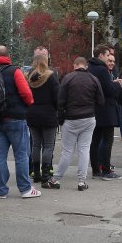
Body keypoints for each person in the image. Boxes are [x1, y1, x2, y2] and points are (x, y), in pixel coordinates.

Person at [0, 45, 42, 199]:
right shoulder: (14, 71)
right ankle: (25, 189)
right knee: (21, 155)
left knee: (0, 155)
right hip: (16, 118)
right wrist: (29, 103)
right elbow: (26, 92)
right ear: (8, 56)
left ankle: (1, 190)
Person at [47, 57, 104, 190]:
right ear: (86, 66)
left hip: (71, 118)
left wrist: (60, 119)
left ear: (75, 65)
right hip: (89, 118)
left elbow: (60, 101)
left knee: (67, 151)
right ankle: (81, 181)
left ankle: (55, 179)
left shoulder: (68, 78)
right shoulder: (93, 79)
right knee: (84, 149)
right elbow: (101, 100)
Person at [88, 44, 122, 180]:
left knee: (95, 140)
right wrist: (117, 84)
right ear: (100, 55)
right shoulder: (102, 70)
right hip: (106, 109)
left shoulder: (89, 67)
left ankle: (96, 169)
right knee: (107, 140)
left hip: (93, 109)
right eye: (108, 55)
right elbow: (109, 90)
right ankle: (107, 170)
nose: (109, 58)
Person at [26, 53, 60, 188]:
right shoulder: (51, 76)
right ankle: (46, 176)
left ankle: (36, 173)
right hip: (48, 114)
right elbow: (57, 97)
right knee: (48, 146)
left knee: (35, 144)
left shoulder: (28, 77)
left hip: (32, 113)